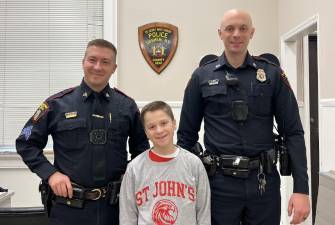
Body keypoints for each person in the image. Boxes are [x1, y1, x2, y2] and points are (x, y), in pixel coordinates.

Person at [177, 9, 310, 225]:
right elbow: (185, 137)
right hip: (217, 184)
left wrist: (301, 189)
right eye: (230, 29)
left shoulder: (272, 74)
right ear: (220, 33)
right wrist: (187, 187)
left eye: (243, 28)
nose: (236, 34)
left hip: (263, 183)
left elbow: (293, 132)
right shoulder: (202, 76)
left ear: (252, 33)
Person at [16, 39, 149, 225]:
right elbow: (26, 143)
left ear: (114, 68)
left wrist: (130, 178)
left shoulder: (127, 106)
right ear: (83, 62)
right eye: (92, 60)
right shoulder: (57, 104)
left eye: (105, 62)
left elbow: (141, 151)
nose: (97, 67)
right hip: (69, 209)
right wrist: (51, 174)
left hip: (117, 209)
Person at [119, 101, 211, 225]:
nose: (159, 130)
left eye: (163, 123)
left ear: (174, 124)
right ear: (145, 132)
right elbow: (127, 217)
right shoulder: (134, 168)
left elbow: (203, 213)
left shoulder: (194, 164)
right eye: (151, 127)